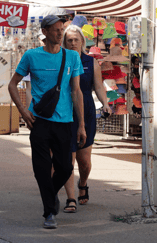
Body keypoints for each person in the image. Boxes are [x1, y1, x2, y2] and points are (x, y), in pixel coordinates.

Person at [8, 15, 86, 229]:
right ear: (44, 32)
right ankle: (49, 212)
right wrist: (23, 111)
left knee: (65, 168)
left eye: (62, 29)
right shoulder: (31, 56)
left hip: (64, 122)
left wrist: (81, 125)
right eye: (55, 30)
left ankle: (50, 195)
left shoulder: (71, 57)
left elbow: (76, 91)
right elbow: (12, 85)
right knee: (41, 168)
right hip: (39, 121)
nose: (60, 33)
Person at [61, 25, 112, 213]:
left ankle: (82, 183)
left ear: (82, 41)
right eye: (69, 40)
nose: (73, 43)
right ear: (64, 43)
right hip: (65, 112)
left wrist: (105, 103)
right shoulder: (61, 59)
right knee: (68, 158)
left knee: (84, 160)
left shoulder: (91, 62)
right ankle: (71, 198)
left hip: (87, 112)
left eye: (76, 40)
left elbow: (98, 87)